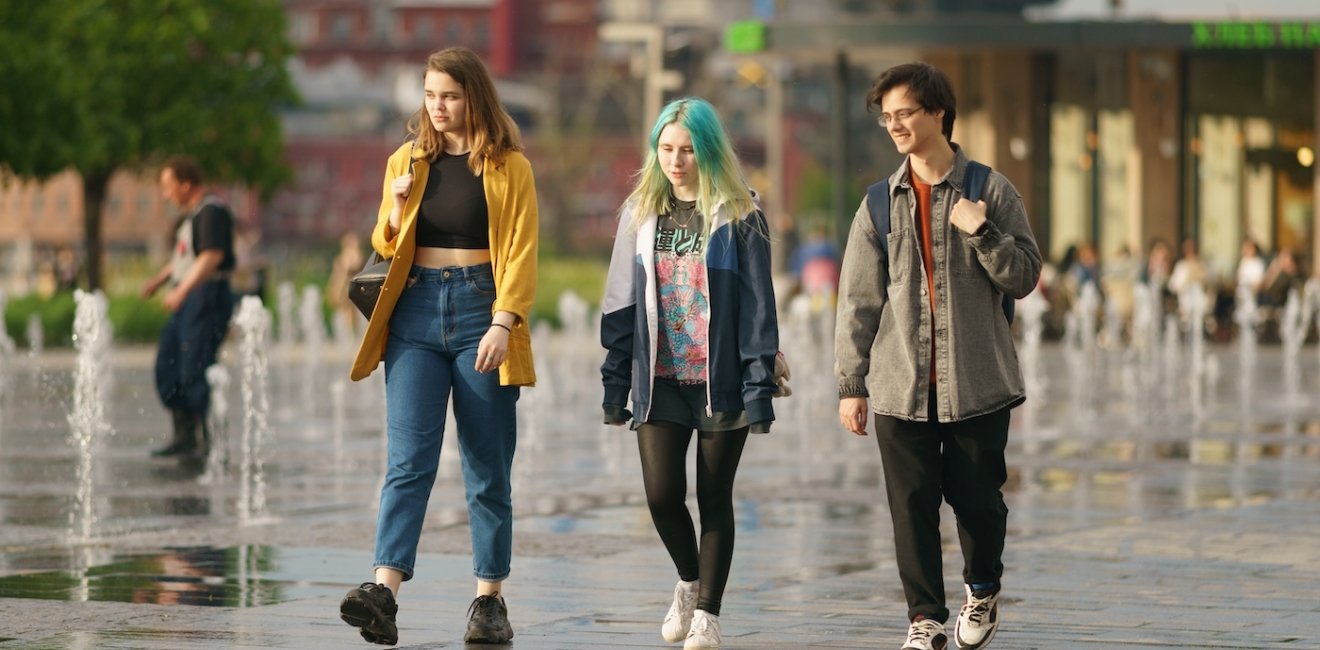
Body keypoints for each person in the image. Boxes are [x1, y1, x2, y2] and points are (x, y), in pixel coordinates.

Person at [834, 62, 1041, 650]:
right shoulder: (878, 204)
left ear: (938, 114)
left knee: (978, 501)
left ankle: (982, 588)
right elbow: (857, 300)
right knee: (911, 506)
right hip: (901, 384)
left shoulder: (991, 190)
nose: (894, 125)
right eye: (887, 116)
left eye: (905, 113)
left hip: (977, 382)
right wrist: (851, 384)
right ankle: (924, 617)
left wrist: (982, 233)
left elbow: (1025, 276)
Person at [340, 46, 539, 646]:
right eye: (429, 96)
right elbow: (383, 239)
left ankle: (489, 600)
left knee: (486, 465)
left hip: (482, 308)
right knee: (409, 460)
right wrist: (398, 203)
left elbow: (523, 253)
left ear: (474, 96)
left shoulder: (510, 167)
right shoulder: (406, 159)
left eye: (449, 95)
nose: (438, 107)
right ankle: (384, 591)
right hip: (415, 315)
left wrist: (505, 322)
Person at [599, 97, 780, 650]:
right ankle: (687, 579)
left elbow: (757, 308)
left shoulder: (741, 213)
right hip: (659, 380)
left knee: (715, 497)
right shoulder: (639, 213)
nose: (676, 160)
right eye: (667, 149)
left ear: (708, 151)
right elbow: (619, 302)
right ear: (656, 151)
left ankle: (708, 615)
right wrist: (613, 383)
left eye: (688, 150)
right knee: (660, 495)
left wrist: (759, 385)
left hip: (719, 382)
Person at [140, 156, 236, 463]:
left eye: (169, 187)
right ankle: (185, 435)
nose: (166, 195)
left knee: (195, 367)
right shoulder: (192, 216)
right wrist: (161, 279)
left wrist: (182, 290)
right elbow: (186, 258)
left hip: (205, 296)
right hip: (189, 297)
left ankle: (210, 441)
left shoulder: (211, 211)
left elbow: (210, 257)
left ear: (185, 183)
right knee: (167, 366)